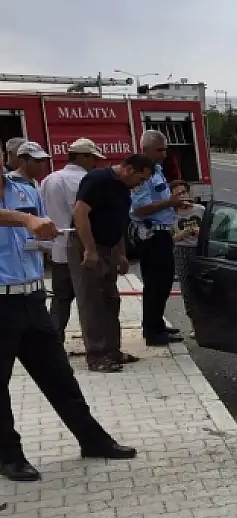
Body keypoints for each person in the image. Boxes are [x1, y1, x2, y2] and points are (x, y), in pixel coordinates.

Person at [0, 169, 137, 482]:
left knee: (59, 376)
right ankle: (9, 456)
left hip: (31, 296)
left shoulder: (23, 190)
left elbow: (38, 230)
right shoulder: (20, 207)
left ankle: (93, 439)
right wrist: (25, 220)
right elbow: (26, 222)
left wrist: (42, 239)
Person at [71, 152, 156, 372]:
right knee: (92, 302)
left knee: (111, 300)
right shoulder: (97, 180)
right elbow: (80, 213)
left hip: (109, 248)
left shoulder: (123, 188)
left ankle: (112, 350)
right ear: (128, 169)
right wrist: (89, 249)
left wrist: (120, 254)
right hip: (89, 246)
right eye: (141, 178)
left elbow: (118, 221)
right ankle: (97, 355)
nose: (140, 184)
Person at [130, 130, 186, 346]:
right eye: (160, 150)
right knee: (155, 284)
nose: (164, 154)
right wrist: (169, 203)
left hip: (162, 232)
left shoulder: (157, 170)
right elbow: (139, 209)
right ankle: (152, 332)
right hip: (151, 235)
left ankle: (157, 325)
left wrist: (173, 204)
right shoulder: (141, 175)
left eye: (165, 149)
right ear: (145, 150)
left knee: (163, 284)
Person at [40, 140, 96, 345]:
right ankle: (95, 344)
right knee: (88, 301)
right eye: (93, 158)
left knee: (60, 300)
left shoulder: (49, 179)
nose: (95, 163)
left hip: (57, 250)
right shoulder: (86, 180)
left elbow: (42, 214)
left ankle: (53, 342)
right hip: (81, 250)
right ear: (83, 157)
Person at [170, 180, 204, 336]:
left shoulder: (200, 210)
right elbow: (169, 240)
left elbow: (214, 232)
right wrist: (181, 235)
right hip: (182, 252)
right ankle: (195, 325)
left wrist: (200, 232)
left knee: (204, 287)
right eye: (178, 194)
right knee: (188, 289)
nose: (183, 196)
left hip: (201, 251)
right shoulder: (170, 215)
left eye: (184, 192)